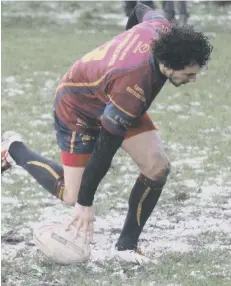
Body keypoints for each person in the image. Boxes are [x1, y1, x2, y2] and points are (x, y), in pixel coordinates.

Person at [1, 3, 212, 263]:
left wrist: (124, 41)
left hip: (113, 96)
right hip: (76, 106)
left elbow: (139, 8)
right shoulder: (132, 86)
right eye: (189, 74)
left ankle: (125, 248)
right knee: (71, 195)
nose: (193, 79)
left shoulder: (162, 28)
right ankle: (13, 149)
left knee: (157, 167)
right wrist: (85, 203)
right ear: (170, 64)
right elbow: (105, 149)